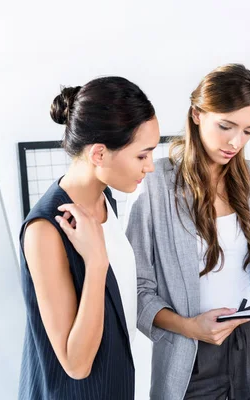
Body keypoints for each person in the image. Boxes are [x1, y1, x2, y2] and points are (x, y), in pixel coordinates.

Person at [125, 64, 250, 400]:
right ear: (197, 114)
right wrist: (189, 327)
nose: (235, 142)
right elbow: (136, 288)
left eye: (248, 131)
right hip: (192, 358)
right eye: (226, 126)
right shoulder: (154, 184)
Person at [18, 76, 160, 399]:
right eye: (142, 155)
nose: (149, 166)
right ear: (99, 154)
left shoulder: (105, 199)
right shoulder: (44, 230)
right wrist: (96, 263)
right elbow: (76, 364)